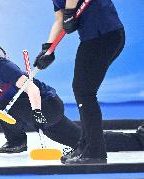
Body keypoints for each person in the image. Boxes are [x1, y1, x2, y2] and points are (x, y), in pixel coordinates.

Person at [0, 31, 144, 162]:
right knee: (83, 140)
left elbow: (32, 90)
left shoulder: (2, 68)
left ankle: (17, 141)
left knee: (4, 105)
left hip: (47, 106)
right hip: (31, 114)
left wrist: (37, 114)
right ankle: (138, 140)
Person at [34, 0, 126, 164]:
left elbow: (68, 12)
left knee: (84, 92)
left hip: (104, 34)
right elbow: (60, 19)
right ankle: (86, 145)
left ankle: (95, 152)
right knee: (82, 90)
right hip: (94, 37)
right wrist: (48, 48)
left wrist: (70, 11)